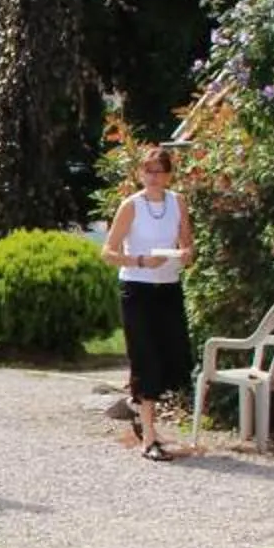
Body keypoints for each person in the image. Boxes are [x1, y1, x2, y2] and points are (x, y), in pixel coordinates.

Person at [102, 144, 195, 461]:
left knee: (175, 357)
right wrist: (141, 260)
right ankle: (149, 438)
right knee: (146, 358)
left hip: (168, 288)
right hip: (137, 288)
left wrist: (184, 254)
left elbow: (188, 245)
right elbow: (109, 252)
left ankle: (137, 403)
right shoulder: (131, 206)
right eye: (148, 171)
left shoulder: (177, 202)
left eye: (160, 171)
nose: (154, 177)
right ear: (140, 173)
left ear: (169, 175)